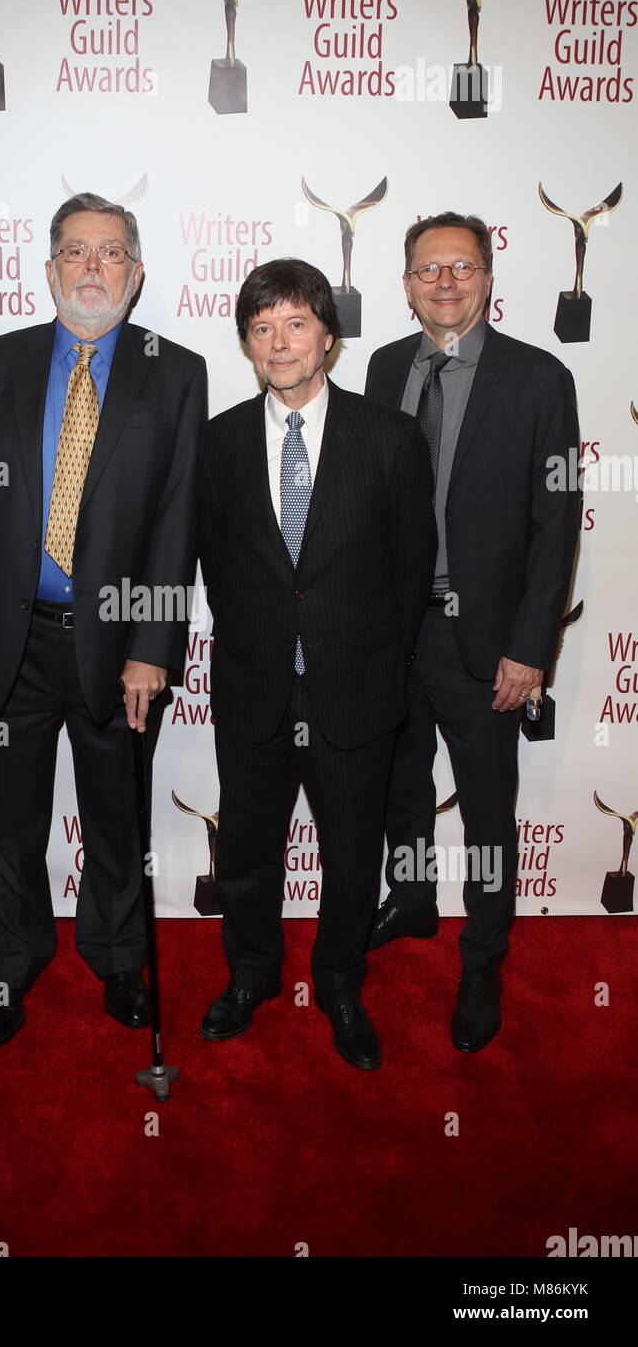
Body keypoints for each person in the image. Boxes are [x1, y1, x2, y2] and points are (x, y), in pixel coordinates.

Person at [0, 192, 208, 1048]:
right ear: (49, 269)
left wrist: (153, 648)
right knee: (11, 823)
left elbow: (177, 520)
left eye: (112, 252)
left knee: (115, 814)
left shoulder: (177, 369)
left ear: (138, 271)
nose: (93, 268)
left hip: (120, 650)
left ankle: (120, 959)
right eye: (77, 252)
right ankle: (11, 968)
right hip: (7, 646)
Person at [197, 258, 436, 1069]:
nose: (280, 342)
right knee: (248, 853)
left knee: (352, 852)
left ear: (328, 338)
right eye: (262, 329)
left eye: (296, 324)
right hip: (254, 688)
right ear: (247, 345)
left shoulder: (390, 437)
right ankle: (253, 977)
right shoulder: (219, 440)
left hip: (355, 692)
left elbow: (410, 573)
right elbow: (211, 566)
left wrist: (376, 666)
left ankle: (339, 983)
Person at [365, 212, 579, 1052]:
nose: (444, 283)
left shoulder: (539, 378)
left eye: (461, 267)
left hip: (483, 638)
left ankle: (484, 953)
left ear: (489, 279)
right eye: (427, 269)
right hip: (389, 634)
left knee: (488, 808)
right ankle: (413, 900)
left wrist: (531, 648)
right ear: (407, 282)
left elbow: (555, 523)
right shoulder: (384, 367)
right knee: (398, 785)